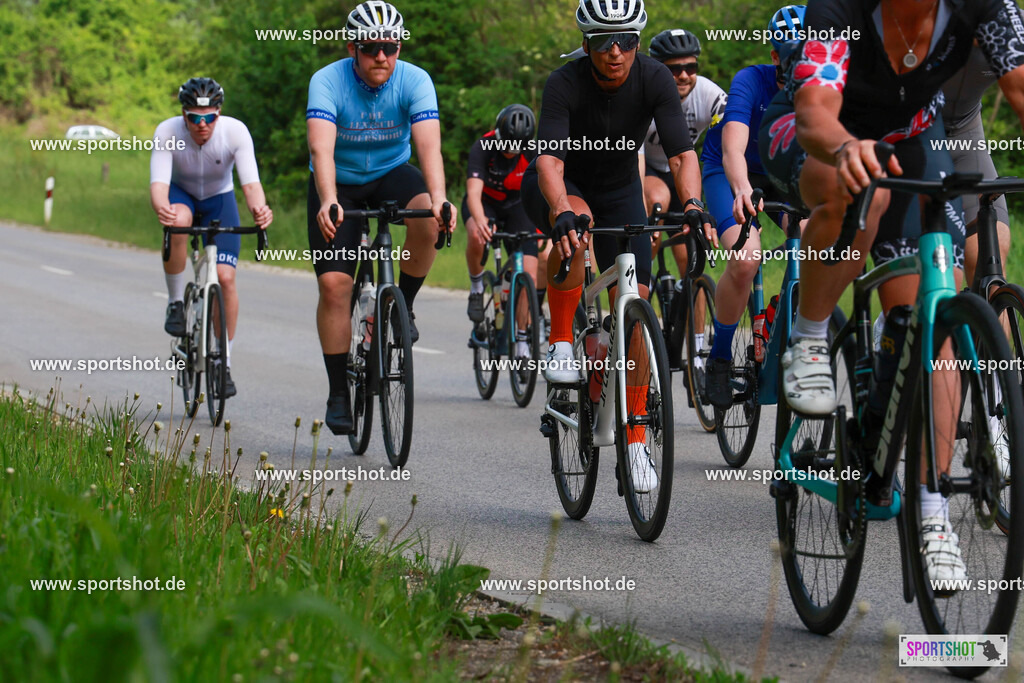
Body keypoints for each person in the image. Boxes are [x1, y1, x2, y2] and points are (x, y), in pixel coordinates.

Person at [758, 0, 1024, 583]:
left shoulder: (986, 6)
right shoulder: (842, 6)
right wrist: (848, 148)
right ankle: (808, 339)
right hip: (816, 136)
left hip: (912, 140)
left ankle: (931, 514)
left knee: (935, 328)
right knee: (861, 194)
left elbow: (1022, 89)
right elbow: (815, 111)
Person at [521, 0, 716, 493]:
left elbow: (680, 153)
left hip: (621, 190)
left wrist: (692, 204)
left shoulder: (654, 79)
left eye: (626, 40)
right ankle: (563, 340)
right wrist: (562, 209)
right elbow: (550, 163)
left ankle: (633, 440)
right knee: (575, 228)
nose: (615, 52)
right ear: (586, 44)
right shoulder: (564, 83)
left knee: (634, 312)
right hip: (564, 186)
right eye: (604, 41)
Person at [306, 0, 456, 435]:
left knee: (428, 216)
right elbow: (322, 149)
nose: (381, 57)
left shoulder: (415, 80)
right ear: (353, 47)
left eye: (390, 48)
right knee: (336, 285)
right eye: (371, 48)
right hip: (340, 180)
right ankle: (338, 392)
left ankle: (403, 304)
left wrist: (441, 200)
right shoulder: (327, 80)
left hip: (392, 171)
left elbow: (429, 147)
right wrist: (329, 199)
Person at [702, 5, 806, 409]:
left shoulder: (827, 82)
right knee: (746, 259)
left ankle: (783, 309)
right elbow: (733, 148)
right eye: (794, 55)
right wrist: (743, 189)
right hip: (730, 171)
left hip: (784, 174)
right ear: (776, 56)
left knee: (822, 240)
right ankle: (721, 359)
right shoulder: (751, 79)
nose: (804, 64)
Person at [151, 76, 273, 399]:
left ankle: (224, 361)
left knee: (226, 278)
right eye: (194, 118)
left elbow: (250, 184)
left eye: (209, 117)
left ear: (219, 113)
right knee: (180, 219)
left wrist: (260, 211)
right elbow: (159, 185)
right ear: (184, 115)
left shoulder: (234, 132)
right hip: (183, 195)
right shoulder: (168, 132)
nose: (202, 125)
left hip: (220, 199)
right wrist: (162, 208)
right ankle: (176, 304)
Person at [641, 28, 726, 290]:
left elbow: (733, 140)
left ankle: (695, 332)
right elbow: (635, 160)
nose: (684, 75)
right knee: (656, 200)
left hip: (682, 171)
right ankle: (636, 298)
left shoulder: (710, 94)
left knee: (692, 260)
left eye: (691, 67)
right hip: (647, 171)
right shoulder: (643, 95)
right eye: (674, 69)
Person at [464, 104, 545, 361]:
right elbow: (473, 195)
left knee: (529, 275)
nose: (511, 153)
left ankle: (522, 339)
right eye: (506, 145)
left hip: (518, 205)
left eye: (516, 148)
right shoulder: (483, 147)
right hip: (485, 203)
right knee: (478, 234)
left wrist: (546, 228)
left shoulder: (533, 150)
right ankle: (477, 286)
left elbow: (544, 193)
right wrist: (481, 221)